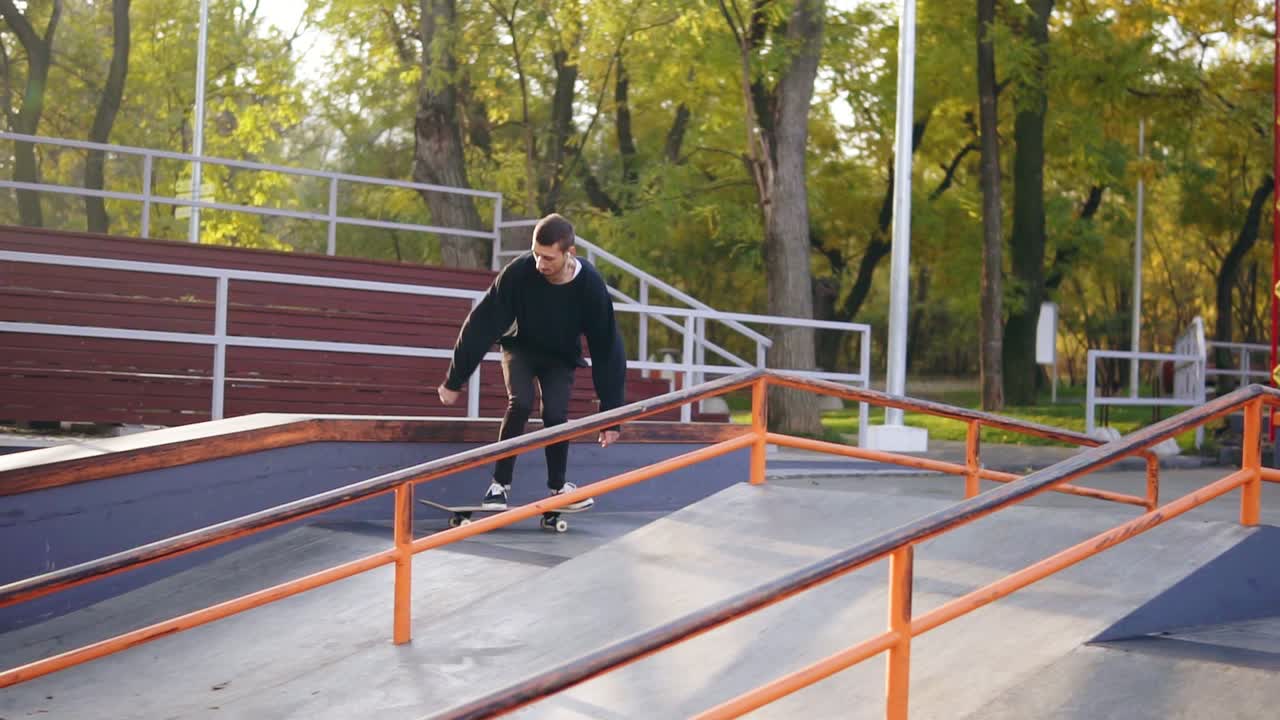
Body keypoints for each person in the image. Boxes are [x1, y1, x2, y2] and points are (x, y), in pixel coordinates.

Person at [436, 213, 626, 510]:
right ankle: (499, 485)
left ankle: (557, 488)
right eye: (537, 254)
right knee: (520, 403)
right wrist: (455, 379)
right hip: (521, 348)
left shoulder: (590, 286)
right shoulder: (520, 272)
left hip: (559, 358)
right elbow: (482, 323)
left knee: (555, 413)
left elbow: (607, 348)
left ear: (570, 253)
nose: (541, 264)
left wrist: (611, 416)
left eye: (549, 258)